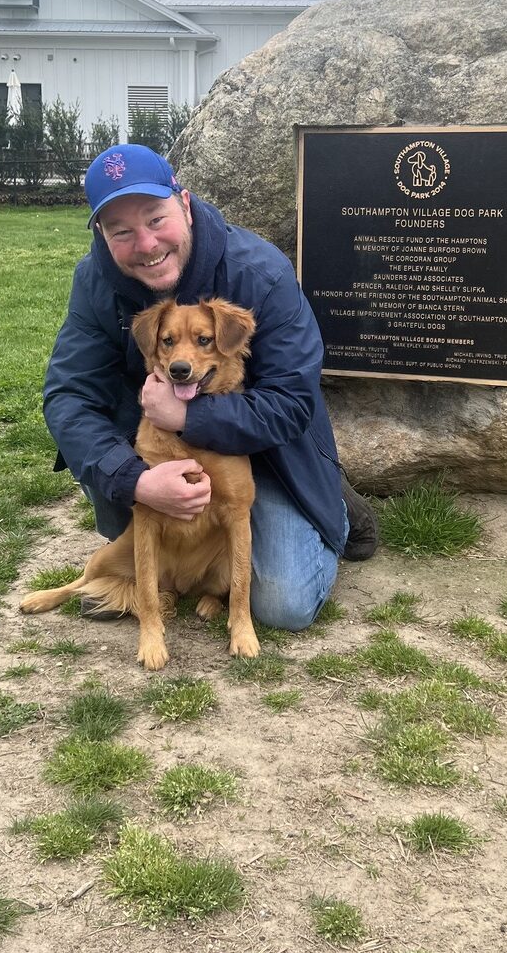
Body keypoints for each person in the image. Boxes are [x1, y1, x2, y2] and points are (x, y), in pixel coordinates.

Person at [42, 142, 378, 630]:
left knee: (284, 606)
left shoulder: (260, 273)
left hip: (271, 458)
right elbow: (68, 396)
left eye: (156, 219)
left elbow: (291, 402)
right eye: (122, 231)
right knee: (161, 549)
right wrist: (132, 478)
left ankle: (333, 506)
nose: (147, 244)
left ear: (184, 201)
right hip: (160, 453)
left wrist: (188, 417)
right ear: (102, 233)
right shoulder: (95, 282)